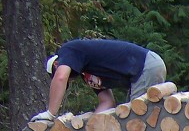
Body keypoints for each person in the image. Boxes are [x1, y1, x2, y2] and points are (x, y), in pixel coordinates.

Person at [33, 38, 167, 121]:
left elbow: (60, 77)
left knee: (137, 120)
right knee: (142, 119)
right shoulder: (88, 74)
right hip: (144, 69)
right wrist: (92, 125)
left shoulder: (68, 50)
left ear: (57, 64)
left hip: (145, 66)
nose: (70, 79)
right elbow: (107, 101)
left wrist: (50, 113)